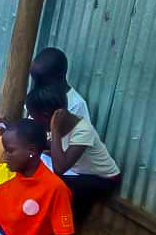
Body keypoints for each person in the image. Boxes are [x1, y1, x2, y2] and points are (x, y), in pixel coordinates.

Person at [0, 47, 90, 183]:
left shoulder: (76, 104)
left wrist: (19, 136)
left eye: (40, 80)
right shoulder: (41, 93)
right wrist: (14, 128)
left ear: (58, 78)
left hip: (44, 154)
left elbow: (65, 148)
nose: (36, 84)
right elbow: (32, 124)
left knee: (1, 144)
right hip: (28, 140)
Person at [26, 85, 121, 221]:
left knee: (55, 185)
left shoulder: (83, 130)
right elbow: (48, 145)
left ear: (46, 116)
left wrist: (55, 130)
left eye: (34, 118)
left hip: (104, 179)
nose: (34, 121)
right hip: (79, 172)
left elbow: (60, 168)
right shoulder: (61, 124)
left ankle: (67, 224)